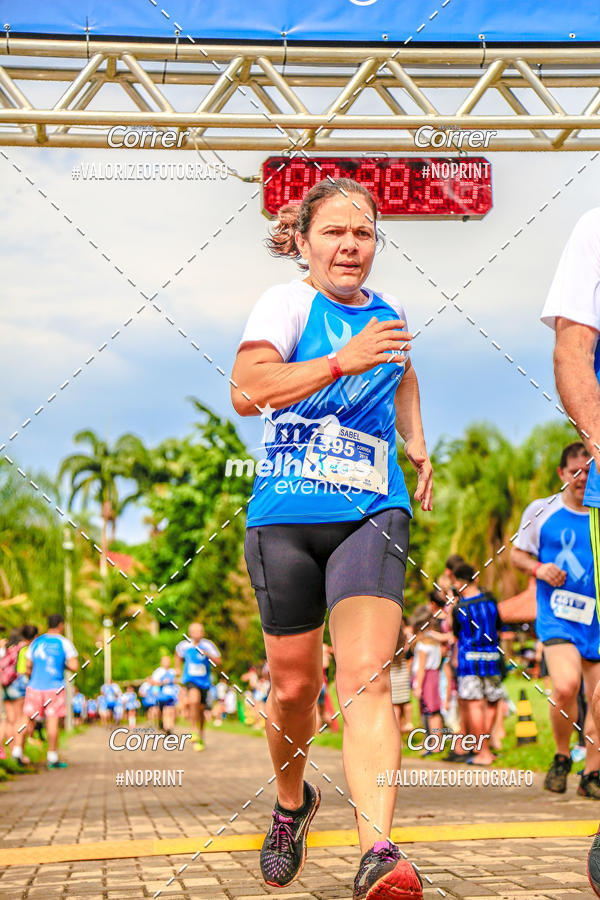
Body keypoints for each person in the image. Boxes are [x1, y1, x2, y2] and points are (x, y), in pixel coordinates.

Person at [231, 177, 432, 898]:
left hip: (372, 509)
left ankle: (379, 849)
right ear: (304, 242)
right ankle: (292, 805)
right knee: (294, 688)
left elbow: (404, 373)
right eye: (335, 234)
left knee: (367, 677)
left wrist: (415, 443)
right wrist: (339, 362)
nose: (351, 246)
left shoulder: (391, 309)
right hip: (286, 513)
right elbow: (247, 388)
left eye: (365, 234)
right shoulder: (286, 303)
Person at [538, 209, 600, 892]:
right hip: (563, 613)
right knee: (568, 687)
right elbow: (572, 350)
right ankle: (571, 761)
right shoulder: (596, 226)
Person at [511, 441, 600, 796]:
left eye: (589, 472)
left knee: (598, 699)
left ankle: (592, 773)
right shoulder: (542, 510)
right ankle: (562, 756)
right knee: (565, 686)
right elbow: (516, 554)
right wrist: (539, 568)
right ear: (562, 474)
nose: (582, 478)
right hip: (558, 616)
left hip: (596, 620)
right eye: (575, 471)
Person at [451, 563, 503, 766]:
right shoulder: (491, 601)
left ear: (458, 582)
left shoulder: (459, 608)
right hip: (491, 657)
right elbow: (499, 626)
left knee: (473, 704)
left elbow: (456, 634)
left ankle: (482, 751)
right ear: (476, 578)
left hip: (468, 661)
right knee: (492, 700)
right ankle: (485, 746)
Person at [21, 614, 78, 769]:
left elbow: (27, 666)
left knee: (27, 719)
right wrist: (63, 665)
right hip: (55, 688)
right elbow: (74, 666)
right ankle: (52, 757)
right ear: (60, 625)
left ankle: (19, 751)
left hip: (34, 686)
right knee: (52, 720)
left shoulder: (37, 642)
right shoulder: (64, 642)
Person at [175, 622, 221, 752]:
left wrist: (208, 654)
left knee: (201, 711)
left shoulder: (208, 645)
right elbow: (177, 655)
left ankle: (200, 737)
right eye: (195, 631)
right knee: (193, 700)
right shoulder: (184, 646)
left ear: (203, 632)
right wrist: (177, 668)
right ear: (190, 633)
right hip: (190, 679)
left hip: (205, 682)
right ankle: (193, 730)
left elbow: (218, 661)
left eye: (200, 631)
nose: (197, 633)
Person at [151, 655, 179, 734]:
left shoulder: (172, 671)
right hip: (160, 695)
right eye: (165, 661)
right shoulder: (158, 671)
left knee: (169, 711)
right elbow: (153, 682)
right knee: (160, 712)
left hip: (171, 695)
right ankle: (162, 724)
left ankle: (168, 728)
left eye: (168, 661)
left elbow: (177, 680)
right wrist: (163, 682)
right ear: (161, 662)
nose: (167, 663)